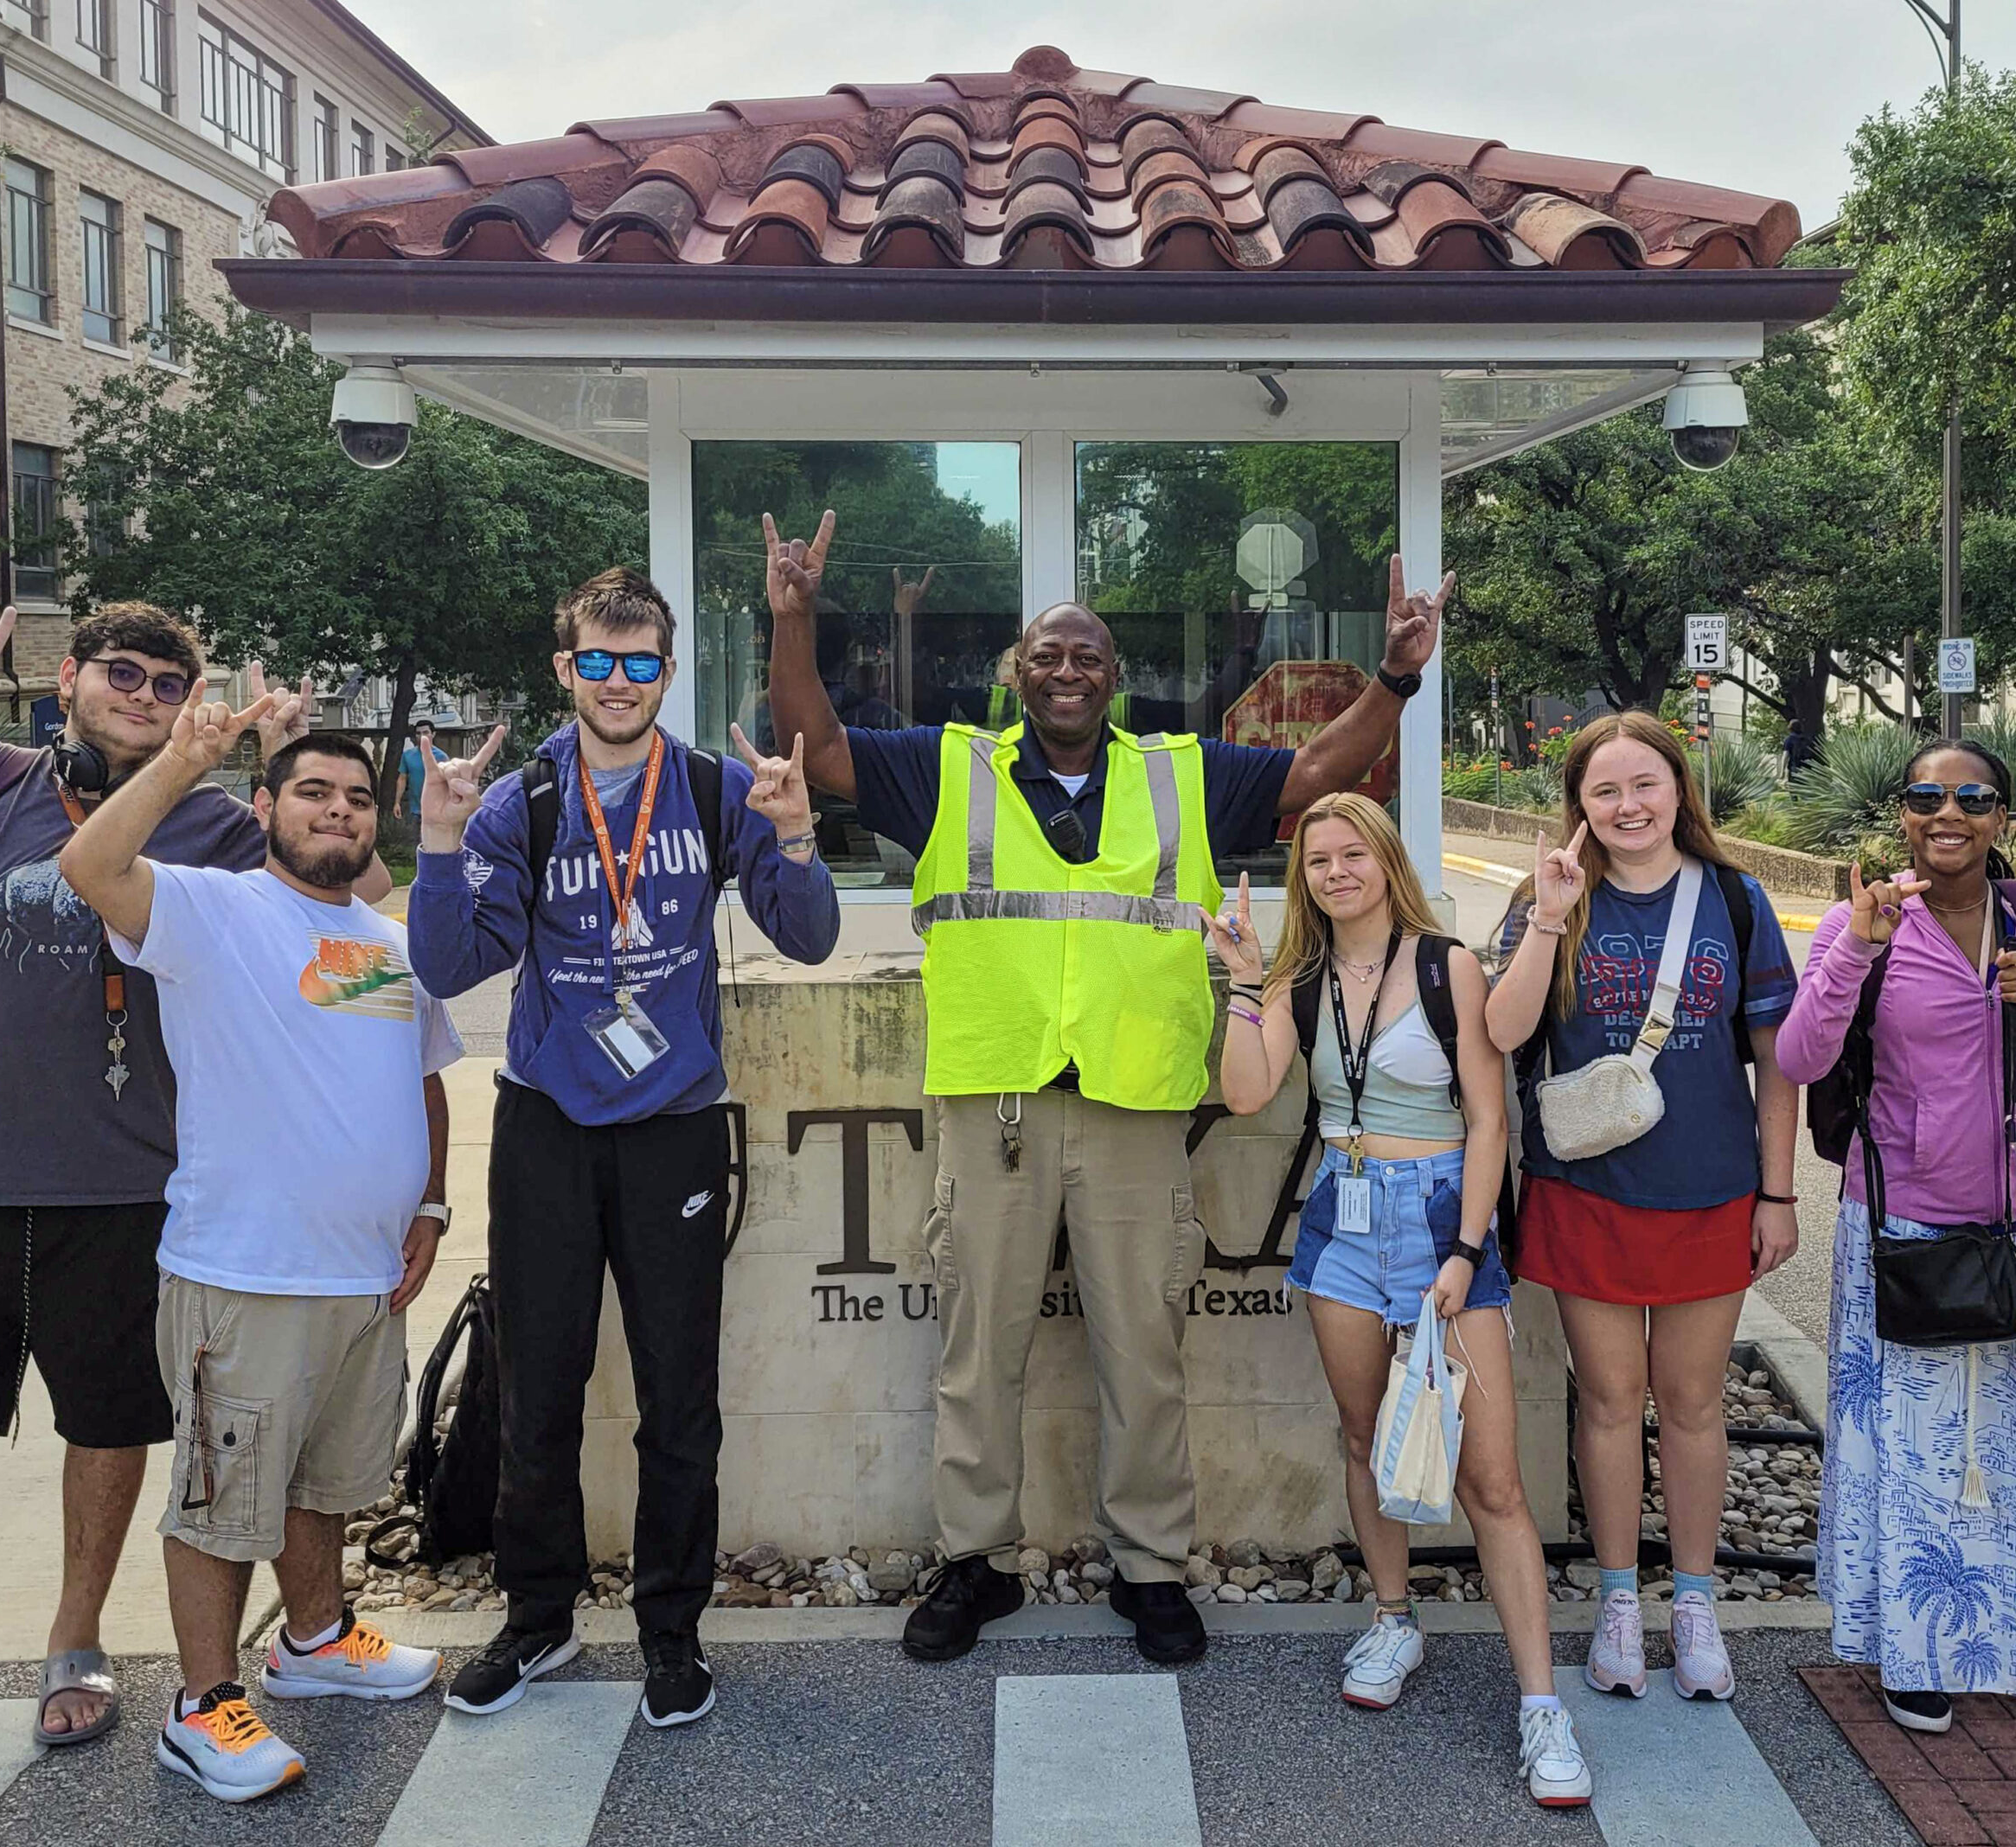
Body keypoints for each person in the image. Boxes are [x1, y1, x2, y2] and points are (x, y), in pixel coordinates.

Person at [763, 508, 1450, 1665]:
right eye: (1048, 655)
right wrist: (794, 622)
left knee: (1144, 1346)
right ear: (1017, 675)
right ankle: (974, 1562)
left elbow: (1326, 769)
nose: (1068, 669)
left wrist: (1394, 675)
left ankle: (1150, 1567)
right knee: (982, 1348)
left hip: (1138, 1105)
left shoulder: (1185, 776)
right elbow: (816, 744)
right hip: (997, 1103)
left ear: (1115, 678)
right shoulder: (952, 768)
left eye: (1088, 655)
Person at [0, 604, 377, 1750]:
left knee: (110, 1423)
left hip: (128, 1190)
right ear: (68, 678)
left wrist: (293, 785)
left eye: (171, 685)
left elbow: (349, 953)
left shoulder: (214, 824)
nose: (144, 697)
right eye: (122, 673)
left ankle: (75, 1636)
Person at [408, 567, 839, 1729]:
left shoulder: (710, 788)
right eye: (595, 660)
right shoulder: (523, 803)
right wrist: (441, 845)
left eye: (639, 660)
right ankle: (537, 1620)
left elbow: (806, 941)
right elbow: (450, 969)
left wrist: (795, 840)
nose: (616, 681)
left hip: (675, 1129)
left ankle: (671, 1635)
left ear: (668, 668)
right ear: (565, 670)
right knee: (538, 1393)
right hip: (546, 1125)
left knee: (677, 1399)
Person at [59, 713, 459, 1804]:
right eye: (313, 791)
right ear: (264, 810)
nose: (337, 810)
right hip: (245, 1275)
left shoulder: (385, 940)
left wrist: (427, 1199)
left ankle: (316, 1641)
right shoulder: (212, 909)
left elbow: (417, 1073)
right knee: (221, 1499)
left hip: (365, 1279)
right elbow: (91, 863)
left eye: (356, 799)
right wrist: (187, 755)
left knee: (323, 1483)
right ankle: (201, 1705)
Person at [1213, 792, 1591, 1807]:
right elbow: (1247, 1093)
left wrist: (1467, 1251)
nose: (1337, 872)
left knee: (1492, 1479)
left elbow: (1487, 1121)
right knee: (1363, 1434)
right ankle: (1392, 1620)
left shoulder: (1445, 964)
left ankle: (1541, 1706)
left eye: (1353, 854)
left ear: (1386, 860)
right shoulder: (1297, 979)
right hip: (1341, 1214)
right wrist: (1243, 985)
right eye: (1319, 860)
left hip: (1437, 1220)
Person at [1777, 738, 2016, 1738]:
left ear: (2001, 818)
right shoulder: (1872, 922)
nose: (1949, 813)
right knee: (1916, 1455)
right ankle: (1916, 1650)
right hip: (1899, 1229)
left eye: (1971, 797)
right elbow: (1804, 1053)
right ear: (1901, 814)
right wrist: (1852, 944)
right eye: (1926, 797)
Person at [1484, 710, 1799, 1705]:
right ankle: (1621, 1601)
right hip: (1587, 1192)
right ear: (1576, 805)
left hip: (1711, 1191)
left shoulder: (1737, 900)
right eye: (1603, 790)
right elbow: (1498, 1028)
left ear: (1678, 791)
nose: (1627, 805)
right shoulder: (1550, 902)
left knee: (1695, 1403)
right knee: (1612, 1401)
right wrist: (1544, 913)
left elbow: (1777, 1067)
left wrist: (1779, 1193)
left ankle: (1695, 1603)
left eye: (1644, 784)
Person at [395, 719, 434, 820]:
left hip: (435, 810)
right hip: (414, 810)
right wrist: (397, 803)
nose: (422, 737)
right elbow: (402, 779)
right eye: (418, 733)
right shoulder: (408, 756)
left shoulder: (441, 757)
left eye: (425, 733)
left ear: (433, 734)